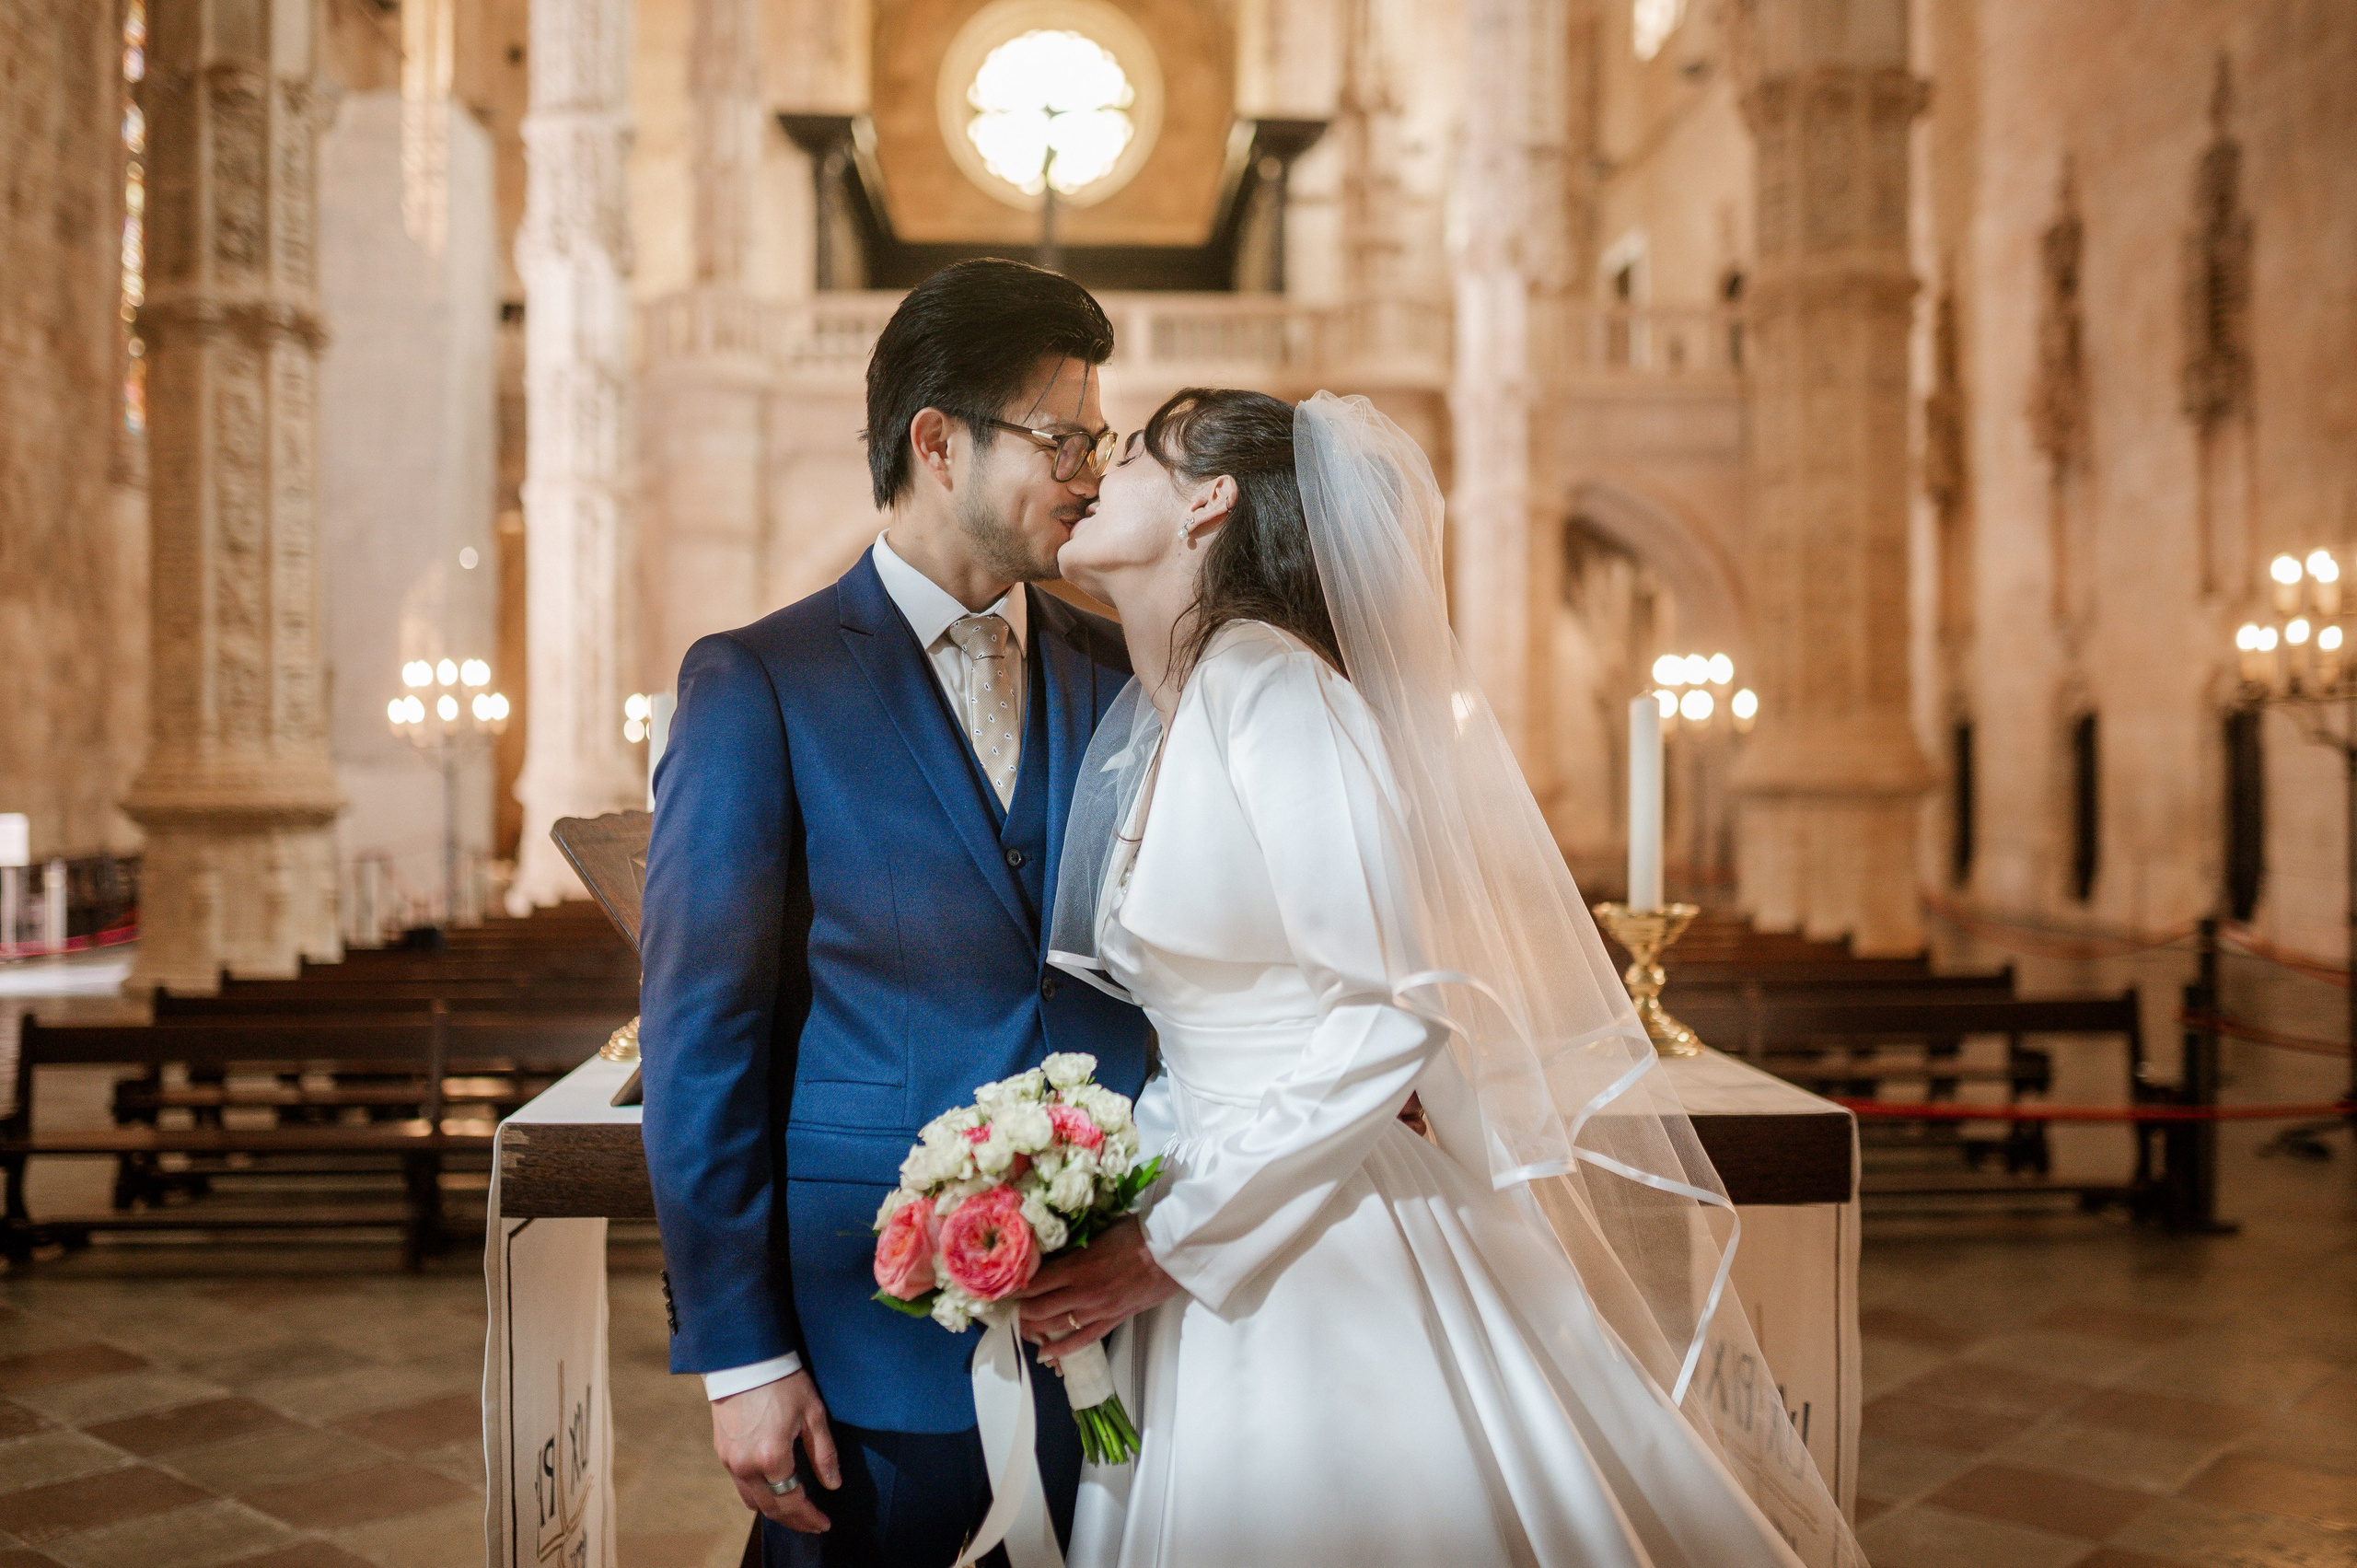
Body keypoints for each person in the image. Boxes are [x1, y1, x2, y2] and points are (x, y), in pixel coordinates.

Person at [1016, 388, 1865, 1567]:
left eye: (1135, 455)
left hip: (1311, 1231)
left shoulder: (1279, 687)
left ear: (1209, 500)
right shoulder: (1178, 705)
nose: (1095, 471)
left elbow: (1388, 1008)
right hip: (1197, 1190)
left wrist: (1176, 1240)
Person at [636, 259, 1155, 1568]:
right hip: (872, 1330)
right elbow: (704, 1042)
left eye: (1096, 437)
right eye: (1063, 437)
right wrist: (741, 1352)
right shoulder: (762, 680)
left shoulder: (1122, 669)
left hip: (1123, 1327)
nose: (1091, 470)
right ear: (938, 441)